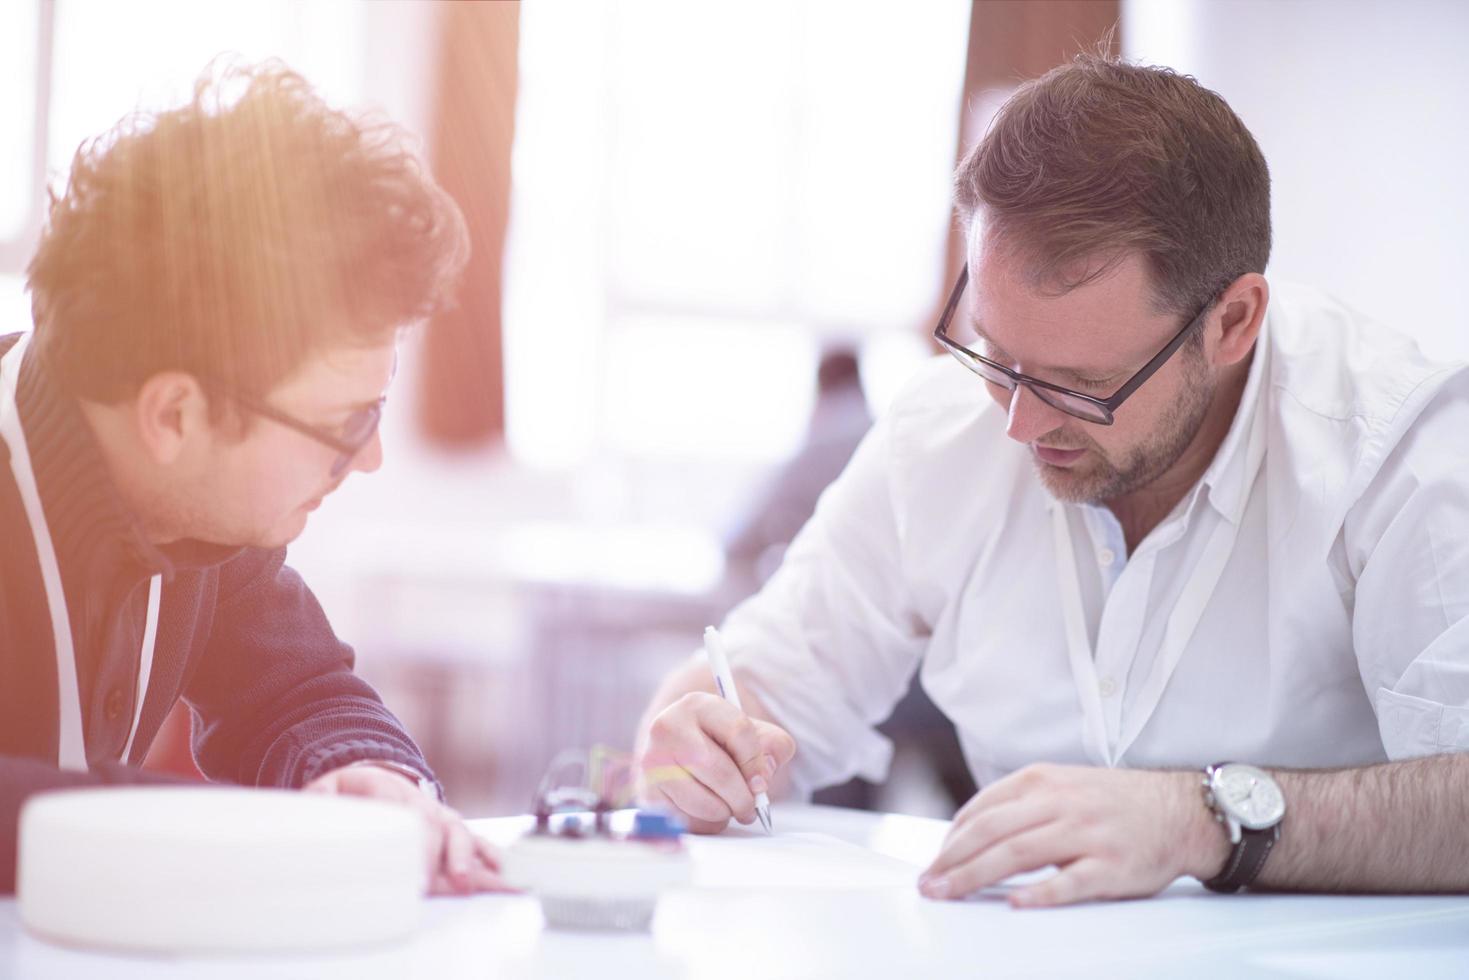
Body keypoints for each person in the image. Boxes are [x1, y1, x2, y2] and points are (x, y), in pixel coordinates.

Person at [634, 53, 1469, 907]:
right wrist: (692, 748)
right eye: (995, 354)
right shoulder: (941, 435)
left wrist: (1206, 820)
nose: (1018, 424)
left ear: (1232, 322)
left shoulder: (1396, 453)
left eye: (1076, 384)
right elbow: (758, 686)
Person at [0, 61, 504, 895]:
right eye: (347, 421)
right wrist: (253, 831)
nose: (368, 458)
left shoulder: (196, 520)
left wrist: (361, 773)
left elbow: (301, 690)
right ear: (174, 417)